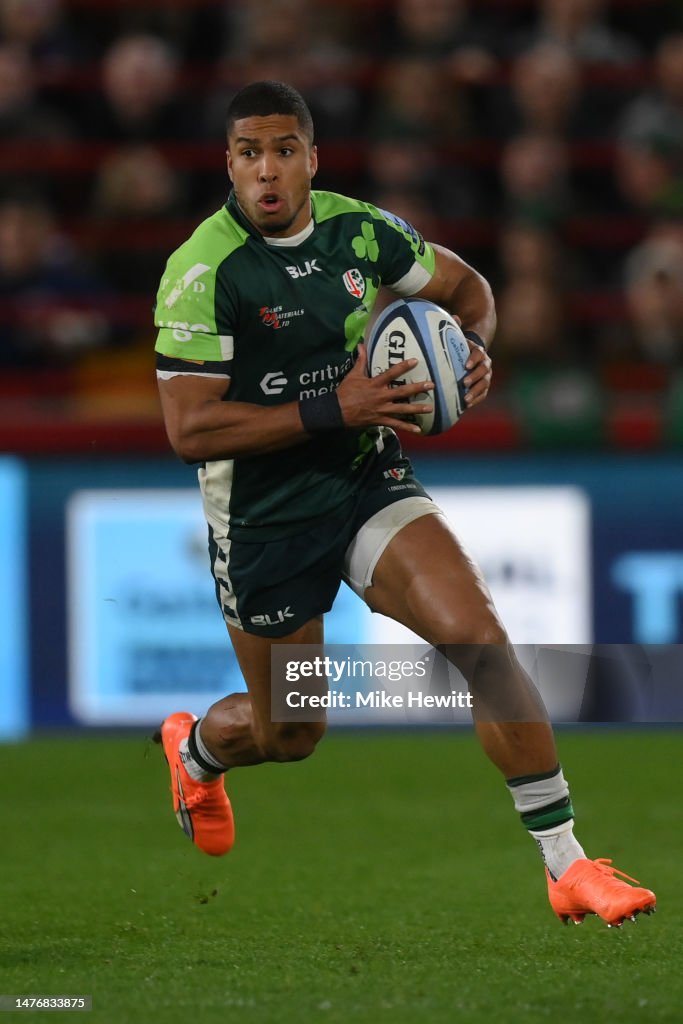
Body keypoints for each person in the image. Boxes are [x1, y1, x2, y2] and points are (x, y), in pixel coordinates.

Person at [153, 80, 655, 927]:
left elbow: (468, 290)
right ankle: (198, 751)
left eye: (283, 151)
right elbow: (190, 428)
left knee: (481, 642)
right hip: (263, 516)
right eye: (249, 154)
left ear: (312, 158)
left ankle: (565, 864)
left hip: (361, 475)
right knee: (291, 732)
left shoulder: (361, 231)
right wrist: (334, 405)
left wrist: (473, 352)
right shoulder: (203, 272)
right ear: (229, 165)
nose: (267, 172)